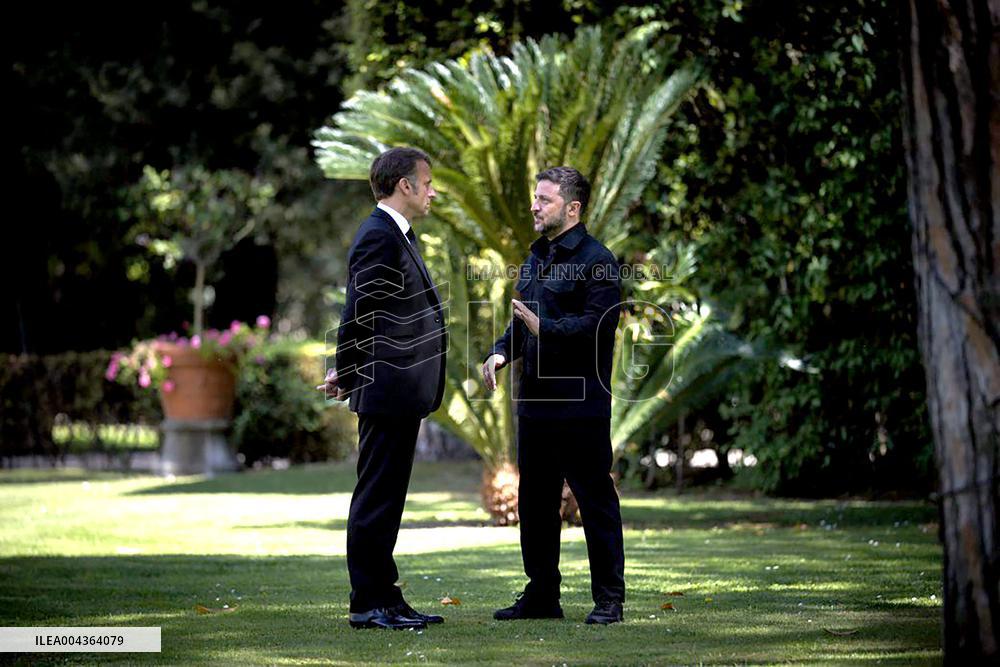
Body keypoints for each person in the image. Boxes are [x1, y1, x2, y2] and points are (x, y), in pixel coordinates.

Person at [481, 166, 626, 625]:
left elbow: (598, 329)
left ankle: (609, 600)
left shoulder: (599, 261)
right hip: (535, 405)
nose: (534, 206)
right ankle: (543, 596)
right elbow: (519, 323)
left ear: (572, 207)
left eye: (543, 199)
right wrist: (501, 353)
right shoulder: (535, 258)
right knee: (535, 503)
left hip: (581, 404)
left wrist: (547, 329)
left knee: (595, 500)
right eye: (535, 198)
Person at [318, 147, 447, 630]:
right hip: (386, 388)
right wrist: (348, 372)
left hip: (400, 390)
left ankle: (387, 598)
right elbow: (361, 314)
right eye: (428, 182)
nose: (433, 191)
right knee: (376, 497)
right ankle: (367, 603)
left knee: (388, 498)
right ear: (405, 186)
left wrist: (346, 371)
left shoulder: (397, 234)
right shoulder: (378, 236)